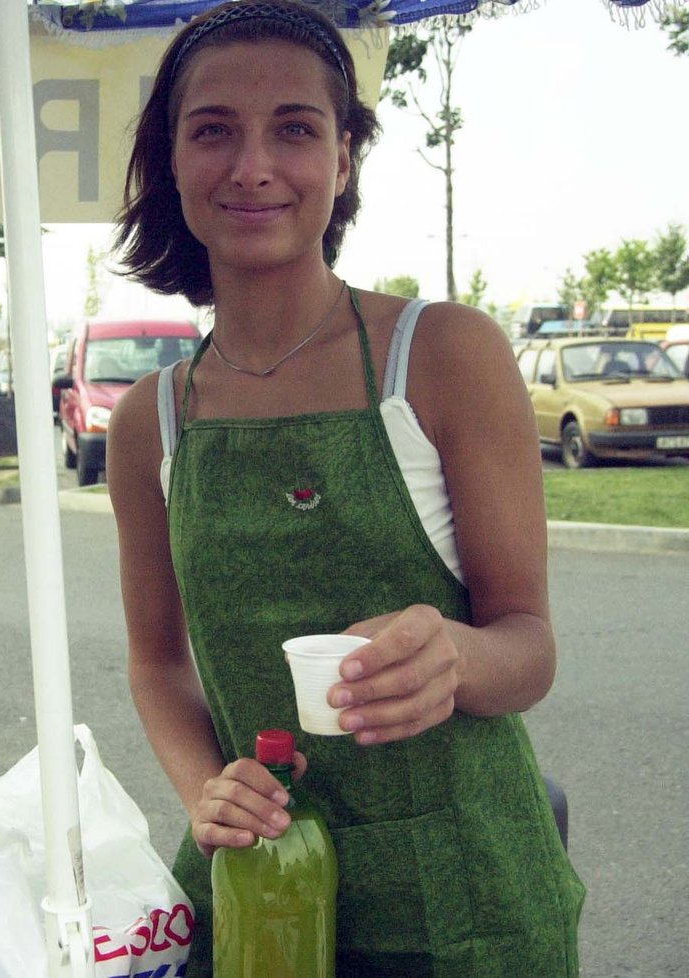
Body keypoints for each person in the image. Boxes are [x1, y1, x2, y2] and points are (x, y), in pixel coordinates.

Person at [106, 1, 585, 974]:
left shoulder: (446, 354)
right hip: (256, 891)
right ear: (173, 159)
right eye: (213, 131)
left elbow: (528, 648)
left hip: (468, 902)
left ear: (346, 157)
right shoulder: (147, 420)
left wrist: (454, 657)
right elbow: (158, 664)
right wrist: (206, 793)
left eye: (295, 127)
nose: (252, 165)